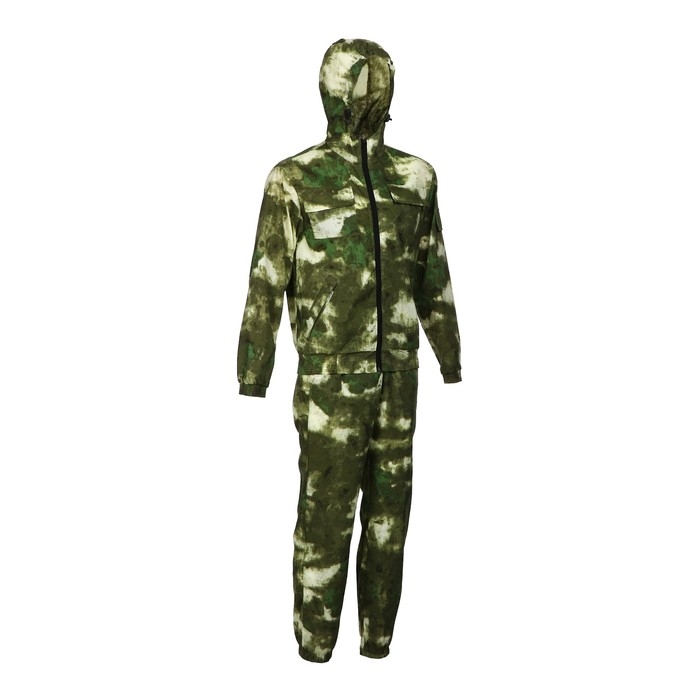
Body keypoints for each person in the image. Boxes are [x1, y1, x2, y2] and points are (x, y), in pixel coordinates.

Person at [236, 38, 462, 662]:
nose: (371, 94)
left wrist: (448, 354)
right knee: (325, 519)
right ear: (334, 91)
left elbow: (434, 271)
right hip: (329, 383)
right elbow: (266, 280)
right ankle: (315, 647)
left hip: (399, 378)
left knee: (390, 520)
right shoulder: (294, 179)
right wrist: (254, 369)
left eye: (379, 83)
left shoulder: (416, 177)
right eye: (361, 84)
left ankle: (377, 642)